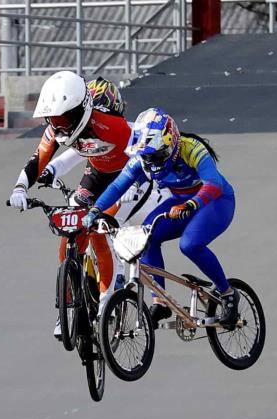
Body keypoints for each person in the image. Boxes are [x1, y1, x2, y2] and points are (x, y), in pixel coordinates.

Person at [7, 71, 165, 338]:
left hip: (128, 178)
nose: (59, 125)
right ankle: (67, 307)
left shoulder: (111, 126)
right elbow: (39, 159)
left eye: (63, 119)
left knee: (98, 230)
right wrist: (20, 186)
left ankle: (106, 301)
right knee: (71, 229)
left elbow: (143, 157)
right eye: (53, 120)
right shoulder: (59, 128)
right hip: (98, 174)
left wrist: (135, 185)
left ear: (82, 110)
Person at [81, 107, 240, 328]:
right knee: (146, 235)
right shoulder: (142, 158)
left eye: (156, 155)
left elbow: (213, 184)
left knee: (190, 245)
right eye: (146, 156)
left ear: (171, 144)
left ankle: (227, 293)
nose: (151, 161)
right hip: (182, 202)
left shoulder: (192, 148)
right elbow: (118, 186)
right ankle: (160, 302)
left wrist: (191, 203)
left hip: (216, 201)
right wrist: (95, 210)